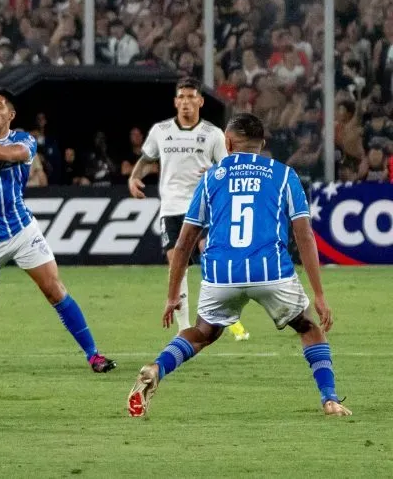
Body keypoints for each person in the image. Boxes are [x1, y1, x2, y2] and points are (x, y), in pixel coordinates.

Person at [127, 113, 351, 418]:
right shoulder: (284, 175)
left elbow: (183, 244)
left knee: (203, 332)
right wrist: (320, 295)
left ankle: (156, 368)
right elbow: (305, 236)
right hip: (270, 272)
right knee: (308, 326)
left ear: (228, 142)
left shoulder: (210, 178)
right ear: (263, 144)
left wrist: (171, 296)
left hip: (221, 275)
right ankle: (330, 399)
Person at [0, 89, 116, 373]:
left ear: (10, 115)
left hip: (21, 230)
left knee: (55, 289)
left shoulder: (22, 140)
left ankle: (93, 355)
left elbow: (12, 155)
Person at [127, 78, 250, 341]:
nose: (185, 102)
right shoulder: (160, 131)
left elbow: (229, 171)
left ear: (200, 101)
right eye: (181, 97)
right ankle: (184, 329)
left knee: (212, 262)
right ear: (175, 102)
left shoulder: (213, 134)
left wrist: (217, 172)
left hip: (204, 207)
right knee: (177, 265)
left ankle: (227, 315)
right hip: (171, 209)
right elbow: (147, 160)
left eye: (191, 97)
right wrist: (134, 177)